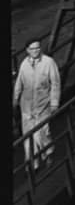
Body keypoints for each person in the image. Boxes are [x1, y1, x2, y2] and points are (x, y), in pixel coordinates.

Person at [13, 39, 61, 167]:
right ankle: (32, 164)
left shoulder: (48, 62)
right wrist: (15, 99)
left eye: (38, 48)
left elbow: (55, 83)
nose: (36, 51)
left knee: (43, 132)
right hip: (27, 106)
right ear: (27, 50)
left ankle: (49, 152)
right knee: (28, 137)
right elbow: (19, 83)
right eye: (33, 49)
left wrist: (54, 103)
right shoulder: (24, 64)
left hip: (43, 104)